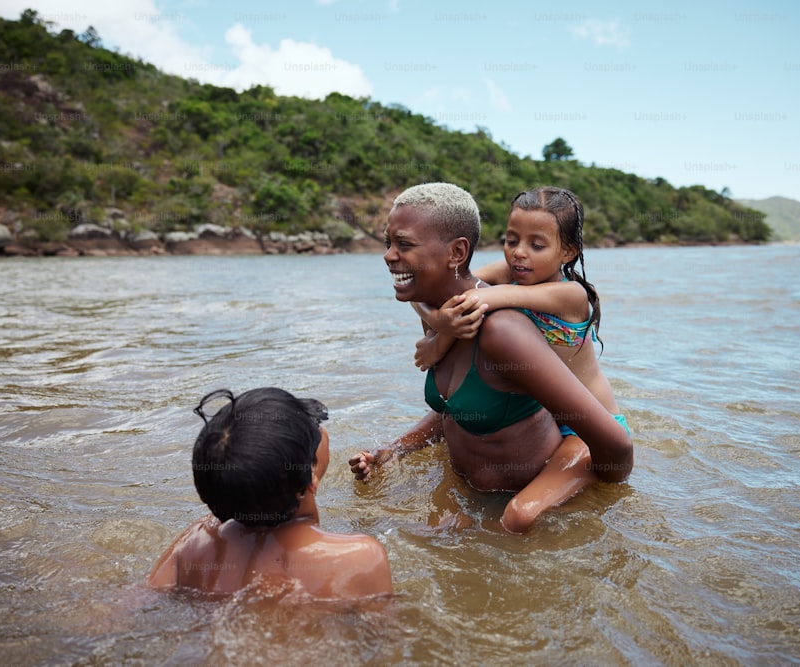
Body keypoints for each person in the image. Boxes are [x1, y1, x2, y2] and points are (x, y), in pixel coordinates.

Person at [349, 183, 633, 533]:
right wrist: (441, 325)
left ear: (568, 252)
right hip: (544, 407)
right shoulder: (511, 273)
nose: (519, 253)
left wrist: (443, 335)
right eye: (512, 240)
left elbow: (479, 297)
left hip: (585, 424)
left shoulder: (569, 295)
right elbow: (435, 285)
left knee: (520, 516)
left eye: (537, 244)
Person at [148, 386, 393, 599]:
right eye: (311, 428)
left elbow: (144, 599)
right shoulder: (358, 557)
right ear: (309, 476)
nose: (319, 428)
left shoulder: (196, 542)